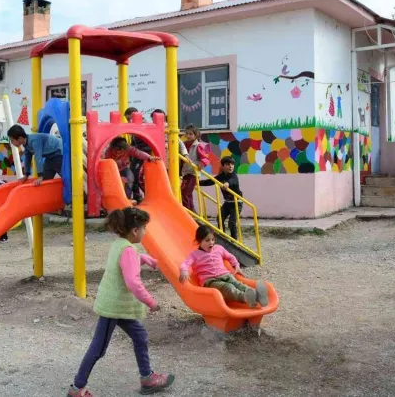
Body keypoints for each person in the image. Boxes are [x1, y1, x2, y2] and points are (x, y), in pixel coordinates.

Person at [67, 207, 174, 396]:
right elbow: (133, 282)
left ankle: (147, 378)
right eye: (144, 228)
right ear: (135, 231)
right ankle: (77, 388)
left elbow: (126, 260)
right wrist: (151, 302)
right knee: (98, 348)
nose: (145, 231)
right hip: (113, 308)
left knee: (140, 336)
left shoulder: (120, 244)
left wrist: (144, 259)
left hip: (118, 306)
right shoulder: (128, 250)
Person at [179, 226, 268, 308]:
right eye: (207, 240)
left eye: (213, 239)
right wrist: (184, 271)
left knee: (238, 284)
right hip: (210, 280)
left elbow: (230, 256)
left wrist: (236, 265)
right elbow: (186, 263)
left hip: (225, 275)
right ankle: (245, 297)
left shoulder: (219, 248)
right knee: (228, 287)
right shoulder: (195, 254)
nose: (211, 243)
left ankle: (257, 295)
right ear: (199, 241)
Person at [198, 156, 244, 239]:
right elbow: (210, 181)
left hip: (237, 203)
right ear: (222, 167)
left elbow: (233, 181)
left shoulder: (234, 176)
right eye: (227, 164)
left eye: (232, 164)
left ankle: (234, 240)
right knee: (219, 219)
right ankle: (223, 236)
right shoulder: (221, 176)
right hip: (227, 203)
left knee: (231, 222)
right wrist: (197, 182)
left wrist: (227, 184)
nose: (230, 166)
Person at [103, 136, 159, 201]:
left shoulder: (128, 149)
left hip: (123, 168)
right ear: (113, 149)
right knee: (114, 182)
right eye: (116, 152)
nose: (118, 154)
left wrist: (149, 157)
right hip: (111, 171)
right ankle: (113, 199)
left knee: (130, 177)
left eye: (121, 152)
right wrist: (117, 177)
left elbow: (138, 153)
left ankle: (127, 198)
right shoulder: (108, 152)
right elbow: (107, 167)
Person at [180, 124, 210, 212]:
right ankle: (192, 211)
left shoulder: (198, 146)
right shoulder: (183, 144)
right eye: (187, 134)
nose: (188, 136)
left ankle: (188, 211)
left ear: (196, 135)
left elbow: (205, 158)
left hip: (193, 173)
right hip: (185, 172)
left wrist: (202, 163)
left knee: (186, 193)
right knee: (186, 193)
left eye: (190, 134)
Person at [124, 107, 151, 202]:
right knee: (132, 174)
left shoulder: (142, 124)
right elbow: (133, 142)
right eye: (127, 119)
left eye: (128, 118)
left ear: (134, 114)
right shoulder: (135, 126)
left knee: (137, 175)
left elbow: (144, 141)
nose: (128, 121)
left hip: (144, 153)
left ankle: (146, 195)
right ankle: (137, 195)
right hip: (138, 153)